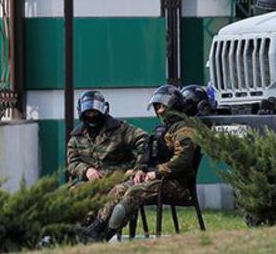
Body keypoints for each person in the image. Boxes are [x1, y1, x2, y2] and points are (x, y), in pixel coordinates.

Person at [82, 85, 202, 242]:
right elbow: (150, 155)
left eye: (162, 106)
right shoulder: (165, 130)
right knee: (119, 189)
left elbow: (182, 160)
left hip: (176, 184)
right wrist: (141, 170)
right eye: (157, 106)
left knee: (134, 192)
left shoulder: (184, 129)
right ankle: (97, 226)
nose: (159, 110)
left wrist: (156, 172)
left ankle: (105, 235)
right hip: (157, 178)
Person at [66, 90, 147, 184]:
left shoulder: (121, 130)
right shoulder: (76, 137)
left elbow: (144, 140)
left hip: (120, 180)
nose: (92, 116)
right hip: (90, 183)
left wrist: (140, 168)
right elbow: (72, 162)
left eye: (95, 112)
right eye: (88, 113)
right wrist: (86, 170)